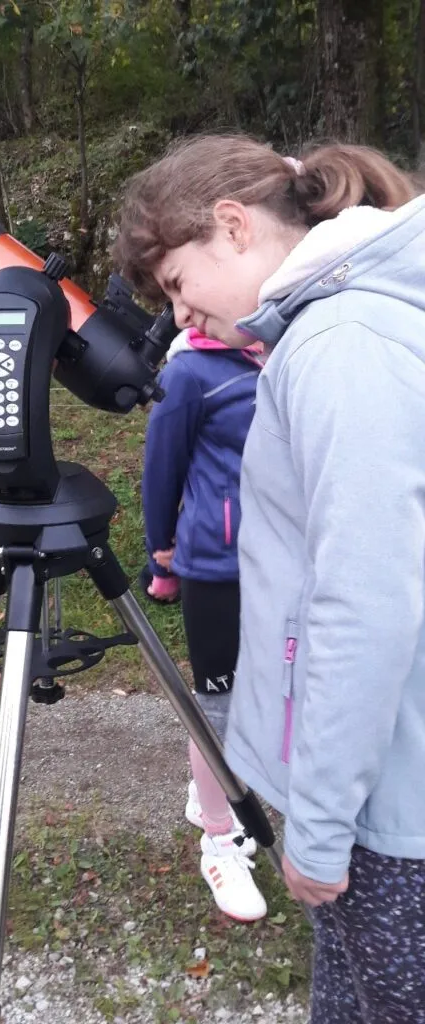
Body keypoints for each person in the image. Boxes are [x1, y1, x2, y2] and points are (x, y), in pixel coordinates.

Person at [113, 134, 425, 1023]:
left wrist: (318, 827)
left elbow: (363, 607)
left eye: (178, 283)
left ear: (234, 225)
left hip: (389, 813)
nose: (181, 315)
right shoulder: (341, 326)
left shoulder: (340, 345)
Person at [140, 324, 266, 921]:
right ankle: (218, 840)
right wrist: (159, 555)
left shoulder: (286, 351)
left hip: (281, 561)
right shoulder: (188, 372)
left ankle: (209, 791)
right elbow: (161, 469)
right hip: (215, 565)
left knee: (265, 696)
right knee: (220, 708)